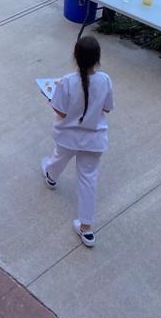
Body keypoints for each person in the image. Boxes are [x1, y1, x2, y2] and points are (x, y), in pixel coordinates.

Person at [41, 36, 114, 248]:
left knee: (58, 158)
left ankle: (51, 177)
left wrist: (49, 98)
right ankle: (86, 229)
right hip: (94, 140)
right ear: (98, 59)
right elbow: (107, 108)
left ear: (76, 57)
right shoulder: (105, 80)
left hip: (68, 137)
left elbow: (61, 113)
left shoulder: (66, 81)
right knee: (88, 179)